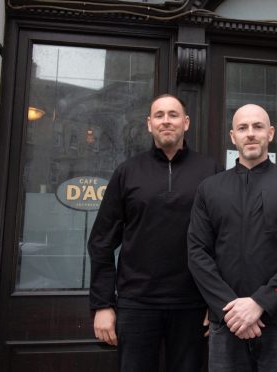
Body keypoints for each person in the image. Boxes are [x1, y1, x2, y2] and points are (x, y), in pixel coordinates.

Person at [88, 94, 220, 371]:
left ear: (186, 122)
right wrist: (102, 304)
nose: (166, 121)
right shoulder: (127, 172)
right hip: (136, 303)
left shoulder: (210, 171)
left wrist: (217, 301)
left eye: (173, 115)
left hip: (193, 304)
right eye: (159, 115)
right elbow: (101, 242)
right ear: (149, 124)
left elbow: (224, 241)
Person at [187, 103, 277, 372]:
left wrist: (261, 302)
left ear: (270, 133)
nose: (250, 133)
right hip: (227, 323)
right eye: (242, 128)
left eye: (257, 127)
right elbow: (198, 253)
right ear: (232, 136)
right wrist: (233, 311)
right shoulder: (209, 189)